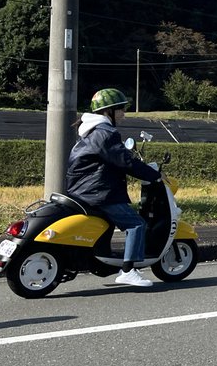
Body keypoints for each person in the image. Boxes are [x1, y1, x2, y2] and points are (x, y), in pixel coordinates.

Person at [65, 88, 162, 288]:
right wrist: (154, 175)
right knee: (136, 224)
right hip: (98, 192)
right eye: (121, 110)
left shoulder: (90, 131)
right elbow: (126, 161)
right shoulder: (105, 133)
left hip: (83, 190)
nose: (124, 114)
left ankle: (104, 260)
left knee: (111, 223)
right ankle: (128, 271)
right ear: (109, 111)